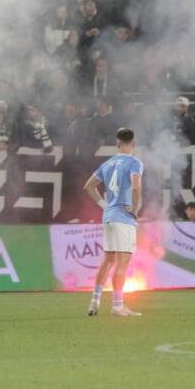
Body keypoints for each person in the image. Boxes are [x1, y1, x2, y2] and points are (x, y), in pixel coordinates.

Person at [83, 127, 143, 318]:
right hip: (123, 218)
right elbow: (136, 187)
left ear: (117, 144)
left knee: (107, 261)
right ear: (133, 144)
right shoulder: (134, 162)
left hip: (108, 216)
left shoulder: (107, 164)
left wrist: (104, 205)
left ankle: (95, 300)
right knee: (122, 262)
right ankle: (118, 306)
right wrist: (134, 209)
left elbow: (88, 186)